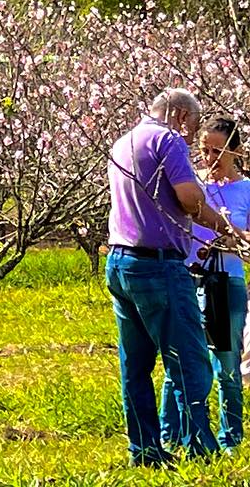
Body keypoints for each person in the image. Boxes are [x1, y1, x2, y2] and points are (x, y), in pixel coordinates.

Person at [106, 88, 250, 466]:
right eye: (193, 128)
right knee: (188, 361)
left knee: (135, 366)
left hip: (120, 262)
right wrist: (225, 229)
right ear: (181, 116)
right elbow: (189, 198)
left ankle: (145, 450)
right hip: (158, 265)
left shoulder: (125, 141)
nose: (191, 138)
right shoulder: (167, 139)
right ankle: (201, 449)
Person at [160, 117, 250, 450]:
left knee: (227, 364)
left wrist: (226, 240)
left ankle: (231, 439)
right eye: (204, 150)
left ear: (236, 151)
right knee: (178, 361)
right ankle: (171, 436)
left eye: (218, 151)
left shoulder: (247, 190)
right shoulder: (191, 184)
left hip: (226, 282)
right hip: (186, 279)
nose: (210, 158)